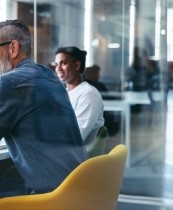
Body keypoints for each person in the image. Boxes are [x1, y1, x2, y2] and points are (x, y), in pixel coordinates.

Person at [0, 19, 88, 198]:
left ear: (13, 48)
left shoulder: (10, 82)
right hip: (79, 185)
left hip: (51, 195)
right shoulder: (48, 75)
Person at [53, 46, 104, 146]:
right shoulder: (64, 93)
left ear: (77, 65)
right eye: (56, 64)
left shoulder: (88, 94)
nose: (58, 68)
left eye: (63, 63)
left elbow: (76, 136)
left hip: (75, 155)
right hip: (60, 149)